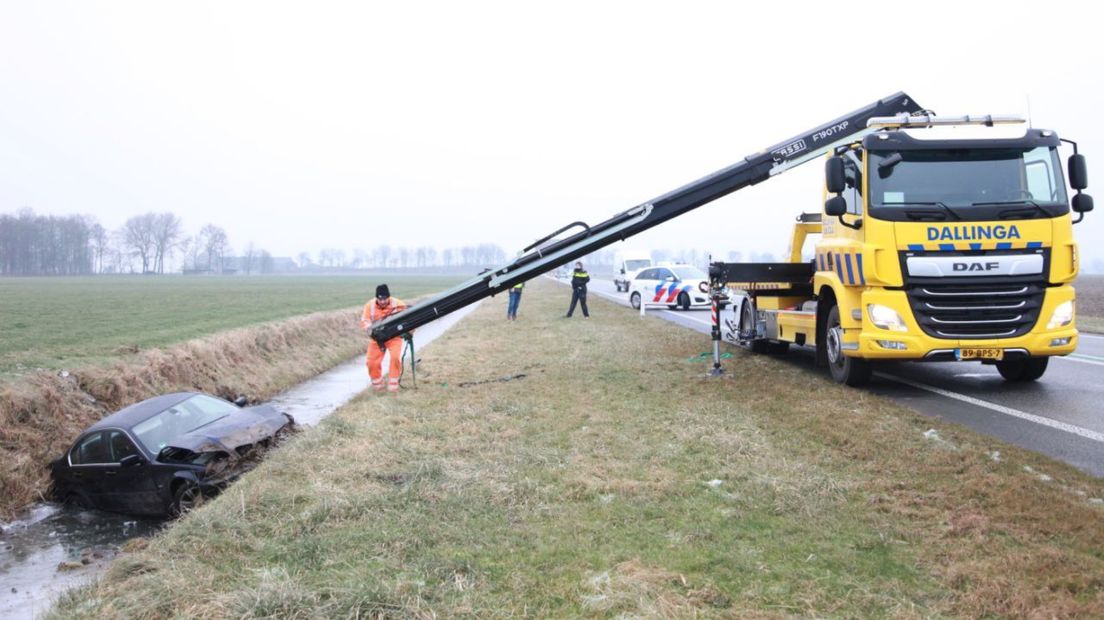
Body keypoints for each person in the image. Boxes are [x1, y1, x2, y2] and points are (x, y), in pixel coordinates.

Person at [360, 284, 408, 392]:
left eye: (385, 299)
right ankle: (378, 387)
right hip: (377, 338)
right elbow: (364, 321)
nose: (383, 301)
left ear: (389, 297)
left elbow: (408, 318)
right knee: (372, 362)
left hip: (394, 336)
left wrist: (409, 331)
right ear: (376, 297)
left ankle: (393, 386)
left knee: (395, 358)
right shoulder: (369, 306)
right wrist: (372, 331)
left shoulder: (398, 304)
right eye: (380, 299)